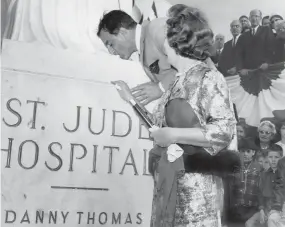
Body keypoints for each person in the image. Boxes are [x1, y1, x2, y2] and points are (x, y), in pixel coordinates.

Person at [102, 4, 238, 226]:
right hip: (171, 191)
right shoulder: (173, 85)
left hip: (198, 193)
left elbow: (224, 132)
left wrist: (174, 134)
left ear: (177, 42)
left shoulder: (209, 77)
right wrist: (131, 100)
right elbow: (157, 130)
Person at [227, 139, 262, 226]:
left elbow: (261, 189)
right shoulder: (234, 168)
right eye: (243, 151)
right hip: (236, 207)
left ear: (253, 152)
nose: (245, 154)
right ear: (239, 152)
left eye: (248, 151)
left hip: (252, 207)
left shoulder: (259, 168)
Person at [245, 144, 283, 227]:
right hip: (266, 209)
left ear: (281, 158)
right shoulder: (264, 175)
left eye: (276, 157)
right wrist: (262, 210)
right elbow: (260, 194)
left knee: (272, 220)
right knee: (249, 224)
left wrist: (277, 209)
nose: (273, 160)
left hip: (281, 210)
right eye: (270, 157)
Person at [235, 9, 274, 76]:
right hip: (248, 73)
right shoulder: (243, 36)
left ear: (260, 18)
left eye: (256, 16)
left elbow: (271, 48)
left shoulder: (266, 30)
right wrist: (240, 69)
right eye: (252, 16)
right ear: (249, 18)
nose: (254, 18)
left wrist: (267, 63)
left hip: (264, 70)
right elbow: (239, 54)